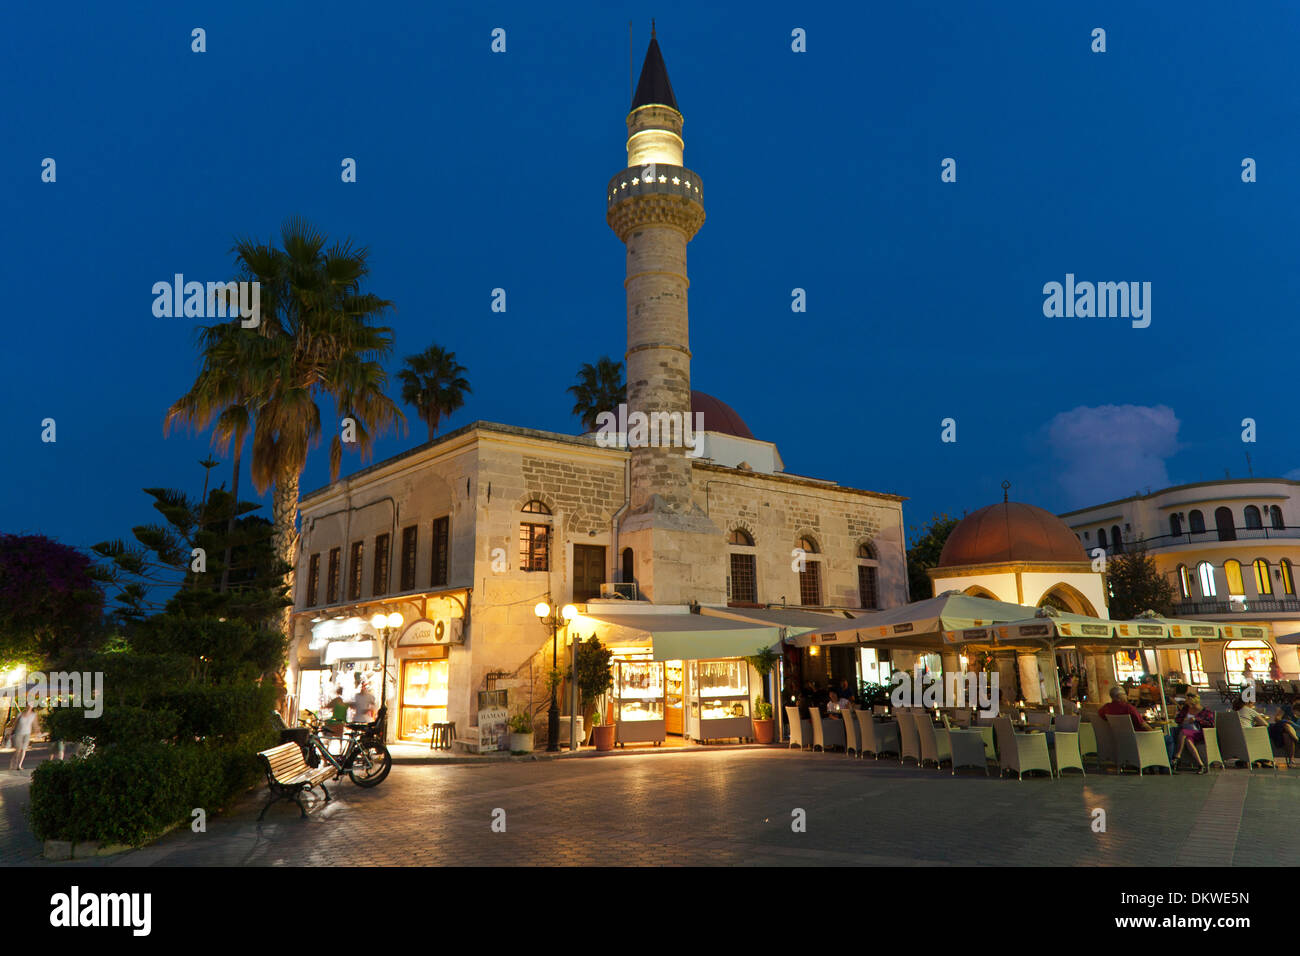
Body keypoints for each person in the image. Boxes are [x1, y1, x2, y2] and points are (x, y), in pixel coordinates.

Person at [1171, 694, 1212, 774]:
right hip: (1188, 733)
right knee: (1187, 740)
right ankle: (1201, 765)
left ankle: (1177, 756)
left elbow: (1210, 723)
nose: (1192, 707)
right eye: (1190, 704)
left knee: (1183, 732)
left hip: (1199, 733)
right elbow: (1177, 719)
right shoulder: (1186, 709)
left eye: (1193, 704)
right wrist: (1183, 720)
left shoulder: (1205, 711)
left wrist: (1197, 720)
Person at [1267, 699, 1299, 768]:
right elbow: (1277, 718)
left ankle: (1291, 758)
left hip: (1295, 730)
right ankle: (1291, 759)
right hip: (1286, 728)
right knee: (1286, 732)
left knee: (1287, 733)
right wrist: (1285, 721)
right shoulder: (1287, 708)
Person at [8, 703, 39, 771]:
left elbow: (35, 724)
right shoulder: (20, 714)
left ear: (32, 707)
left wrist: (38, 732)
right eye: (28, 706)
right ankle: (13, 763)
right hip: (18, 734)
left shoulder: (33, 715)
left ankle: (19, 765)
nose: (29, 707)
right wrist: (10, 732)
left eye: (30, 706)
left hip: (27, 734)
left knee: (24, 749)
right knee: (18, 750)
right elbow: (14, 724)